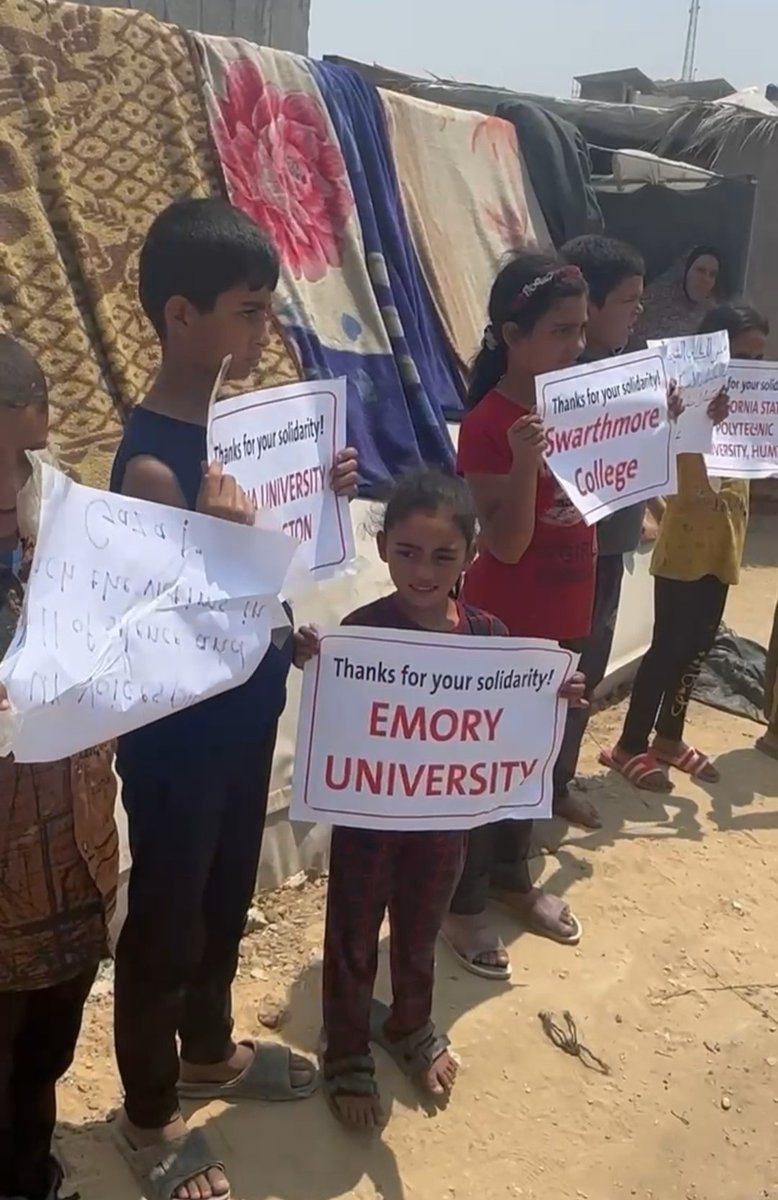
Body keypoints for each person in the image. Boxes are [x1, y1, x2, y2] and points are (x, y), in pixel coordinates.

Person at [109, 198, 359, 1200]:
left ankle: (209, 1051)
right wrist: (217, 548)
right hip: (178, 745)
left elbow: (260, 583)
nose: (267, 332)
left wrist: (322, 495)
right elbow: (160, 643)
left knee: (222, 899)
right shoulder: (155, 467)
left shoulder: (245, 437)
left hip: (247, 708)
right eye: (249, 312)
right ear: (182, 314)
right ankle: (147, 1113)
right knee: (165, 919)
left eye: (268, 310)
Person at [293, 468, 586, 1129]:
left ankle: (411, 1024)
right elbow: (337, 704)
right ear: (383, 549)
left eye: (442, 556)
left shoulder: (488, 637)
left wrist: (552, 695)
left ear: (470, 557)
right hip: (368, 823)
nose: (423, 571)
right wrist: (313, 656)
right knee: (353, 935)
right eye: (407, 553)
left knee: (420, 931)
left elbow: (510, 710)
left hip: (442, 827)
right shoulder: (360, 633)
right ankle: (344, 1049)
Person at [439, 250, 594, 981]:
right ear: (512, 333)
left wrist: (670, 423)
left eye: (583, 332)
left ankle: (513, 876)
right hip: (504, 630)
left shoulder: (587, 407)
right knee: (483, 771)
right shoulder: (488, 423)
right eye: (561, 331)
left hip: (563, 611)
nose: (578, 347)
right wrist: (530, 459)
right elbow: (506, 542)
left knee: (531, 764)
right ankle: (462, 903)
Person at [0, 335, 119, 1200]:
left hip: (75, 852)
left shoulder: (75, 526)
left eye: (22, 452)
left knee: (47, 1045)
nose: (9, 482)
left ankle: (32, 1172)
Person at [601, 302, 768, 791]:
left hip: (723, 547)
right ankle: (628, 744)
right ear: (712, 353)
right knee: (668, 647)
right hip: (683, 551)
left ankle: (668, 738)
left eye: (759, 358)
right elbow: (660, 473)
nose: (750, 368)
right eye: (741, 355)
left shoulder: (753, 410)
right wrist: (688, 419)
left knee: (698, 646)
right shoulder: (679, 404)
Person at [554, 235, 649, 827]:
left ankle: (557, 780)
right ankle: (529, 788)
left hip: (609, 549)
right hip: (564, 558)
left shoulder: (627, 372)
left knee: (584, 672)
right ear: (591, 304)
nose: (638, 311)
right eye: (629, 301)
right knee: (559, 673)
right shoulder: (562, 377)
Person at [636, 245, 723, 342]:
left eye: (712, 274)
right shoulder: (648, 304)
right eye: (700, 271)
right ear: (684, 271)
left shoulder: (713, 316)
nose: (706, 279)